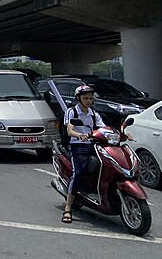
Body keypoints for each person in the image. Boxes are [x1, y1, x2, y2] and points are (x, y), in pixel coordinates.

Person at [61, 85, 106, 224]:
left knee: (107, 165)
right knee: (78, 173)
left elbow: (104, 128)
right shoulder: (72, 112)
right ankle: (68, 208)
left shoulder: (94, 114)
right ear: (78, 98)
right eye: (85, 98)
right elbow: (69, 130)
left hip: (93, 145)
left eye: (90, 98)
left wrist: (121, 134)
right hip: (77, 145)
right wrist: (79, 135)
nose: (88, 101)